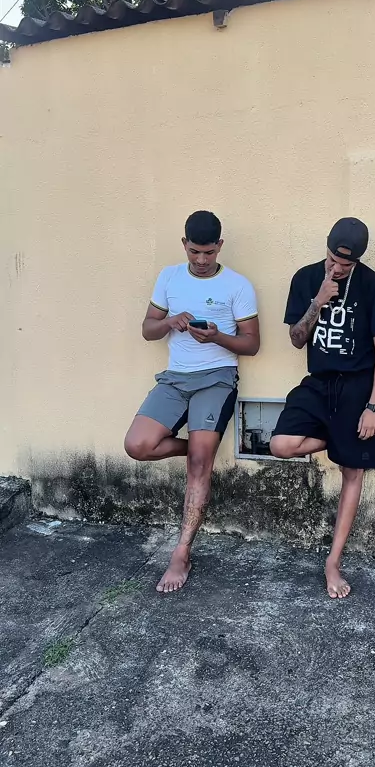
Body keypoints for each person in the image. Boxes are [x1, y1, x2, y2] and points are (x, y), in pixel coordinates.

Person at [125, 211, 260, 593]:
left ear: (220, 246)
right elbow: (148, 330)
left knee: (199, 467)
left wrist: (217, 337)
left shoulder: (237, 285)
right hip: (175, 378)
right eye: (195, 251)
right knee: (137, 445)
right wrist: (169, 322)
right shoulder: (169, 277)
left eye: (209, 252)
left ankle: (181, 552)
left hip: (217, 378)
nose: (201, 260)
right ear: (184, 245)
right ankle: (201, 447)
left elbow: (252, 344)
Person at [270, 217, 375, 600]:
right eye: (333, 260)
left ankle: (333, 562)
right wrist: (318, 301)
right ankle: (338, 439)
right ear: (326, 247)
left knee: (352, 472)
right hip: (319, 382)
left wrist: (373, 406)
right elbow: (296, 339)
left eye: (346, 264)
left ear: (357, 259)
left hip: (358, 387)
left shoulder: (373, 285)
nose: (338, 268)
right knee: (280, 444)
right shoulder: (306, 278)